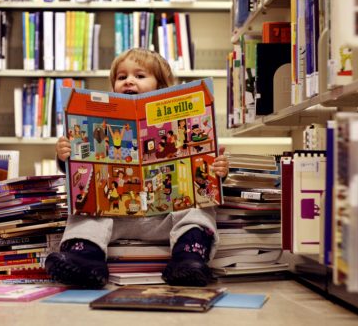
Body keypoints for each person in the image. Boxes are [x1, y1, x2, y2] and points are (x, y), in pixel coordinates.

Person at [46, 48, 229, 288]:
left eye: (140, 76)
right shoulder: (99, 120)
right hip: (116, 217)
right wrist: (65, 156)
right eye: (122, 77)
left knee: (199, 207)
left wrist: (219, 171)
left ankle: (189, 257)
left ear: (162, 86)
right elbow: (80, 172)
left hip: (165, 217)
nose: (129, 80)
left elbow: (206, 180)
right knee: (86, 203)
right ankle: (85, 257)